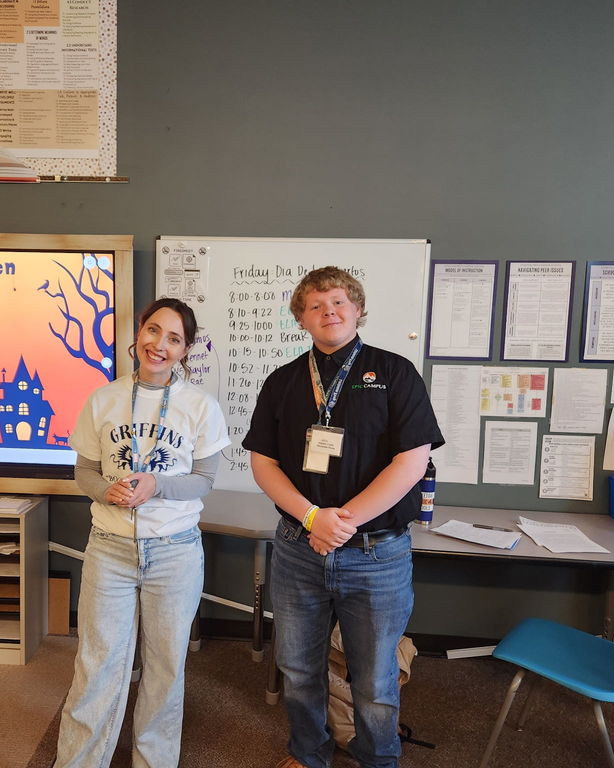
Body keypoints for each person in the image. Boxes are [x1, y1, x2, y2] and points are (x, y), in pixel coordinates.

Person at [243, 266, 444, 768]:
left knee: (375, 676)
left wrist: (342, 521)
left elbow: (412, 461)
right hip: (297, 550)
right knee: (297, 667)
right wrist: (314, 517)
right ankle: (309, 755)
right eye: (315, 305)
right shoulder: (284, 381)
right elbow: (263, 463)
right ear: (301, 319)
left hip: (376, 553)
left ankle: (378, 759)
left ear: (357, 309)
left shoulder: (395, 372)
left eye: (337, 301)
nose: (328, 311)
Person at [54, 298, 230, 768]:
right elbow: (85, 471)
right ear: (138, 334)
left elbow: (204, 481)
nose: (159, 345)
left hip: (174, 553)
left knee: (165, 669)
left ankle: (154, 761)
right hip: (109, 550)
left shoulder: (200, 406)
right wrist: (103, 492)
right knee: (97, 664)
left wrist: (156, 484)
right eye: (153, 331)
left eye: (174, 338)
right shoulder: (103, 398)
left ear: (185, 349)